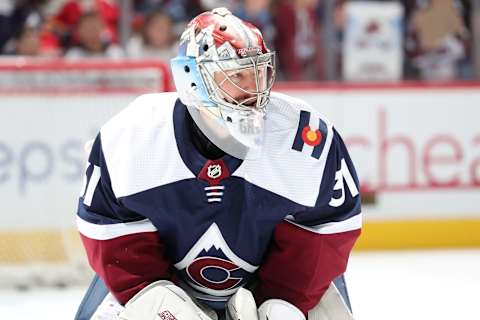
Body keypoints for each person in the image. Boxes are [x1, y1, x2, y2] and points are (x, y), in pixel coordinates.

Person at [75, 7, 361, 320]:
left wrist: (280, 300)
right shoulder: (131, 135)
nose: (253, 90)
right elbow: (108, 231)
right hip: (157, 282)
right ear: (192, 79)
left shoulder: (306, 137)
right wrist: (157, 298)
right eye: (236, 75)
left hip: (275, 281)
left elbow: (331, 227)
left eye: (257, 72)